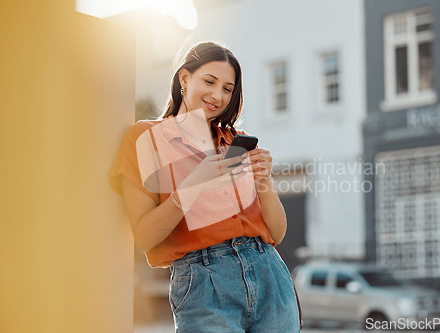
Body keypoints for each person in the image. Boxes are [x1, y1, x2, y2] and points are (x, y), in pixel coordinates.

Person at [109, 41, 300, 332]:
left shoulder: (236, 140)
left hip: (268, 272)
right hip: (204, 283)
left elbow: (276, 233)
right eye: (209, 81)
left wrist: (264, 181)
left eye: (228, 88)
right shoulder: (145, 138)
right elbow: (145, 237)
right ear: (184, 78)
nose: (218, 95)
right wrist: (192, 186)